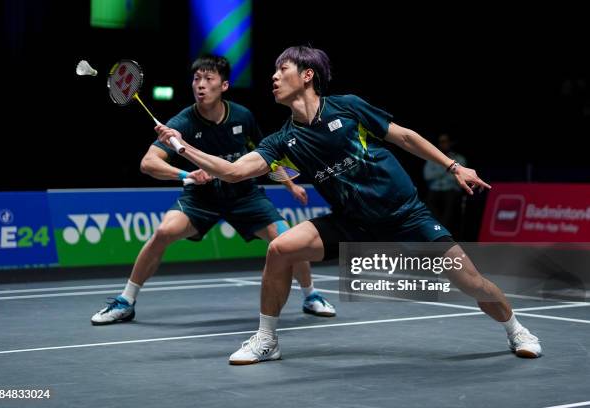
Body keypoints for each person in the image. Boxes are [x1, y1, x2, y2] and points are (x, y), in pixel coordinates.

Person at [156, 46, 542, 364]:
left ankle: (515, 329)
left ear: (307, 75)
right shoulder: (283, 140)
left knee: (469, 280)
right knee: (280, 247)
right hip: (351, 222)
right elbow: (235, 171)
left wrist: (453, 165)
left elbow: (404, 137)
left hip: (403, 215)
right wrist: (182, 146)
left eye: (283, 68)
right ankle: (267, 339)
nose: (273, 76)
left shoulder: (347, 107)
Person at [91, 55, 336, 325]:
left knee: (287, 238)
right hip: (202, 198)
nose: (201, 85)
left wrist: (289, 185)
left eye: (209, 79)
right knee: (163, 232)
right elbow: (148, 163)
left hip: (245, 196)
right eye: (197, 79)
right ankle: (126, 300)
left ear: (225, 86)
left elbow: (268, 156)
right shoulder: (182, 122)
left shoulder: (243, 116)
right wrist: (186, 175)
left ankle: (311, 295)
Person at [423, 133, 467, 237]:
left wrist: (447, 169)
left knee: (451, 201)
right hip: (435, 189)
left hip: (451, 190)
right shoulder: (432, 157)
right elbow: (427, 176)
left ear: (450, 143)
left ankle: (444, 234)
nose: (442, 144)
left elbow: (458, 177)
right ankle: (437, 230)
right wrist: (449, 167)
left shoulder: (459, 158)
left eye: (444, 141)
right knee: (427, 202)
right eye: (440, 142)